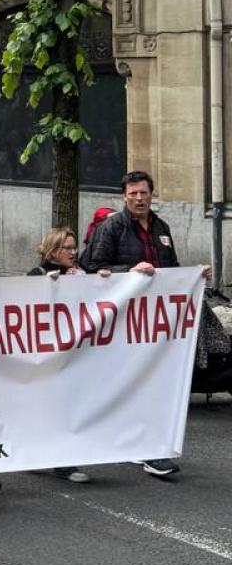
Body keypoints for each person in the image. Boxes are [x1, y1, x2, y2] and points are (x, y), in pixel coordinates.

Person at [81, 170, 211, 481]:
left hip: (156, 323)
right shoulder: (111, 227)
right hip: (125, 320)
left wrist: (195, 277)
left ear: (151, 195)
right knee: (132, 381)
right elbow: (93, 268)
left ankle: (146, 442)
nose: (139, 198)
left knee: (154, 382)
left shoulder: (161, 227)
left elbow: (172, 270)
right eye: (133, 194)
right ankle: (142, 445)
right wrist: (130, 270)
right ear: (123, 197)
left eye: (144, 193)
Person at [27, 226, 113, 485]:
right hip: (47, 356)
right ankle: (60, 462)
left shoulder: (80, 275)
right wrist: (46, 287)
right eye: (67, 248)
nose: (74, 252)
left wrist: (105, 280)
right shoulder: (37, 274)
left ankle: (53, 456)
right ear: (53, 251)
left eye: (75, 247)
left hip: (74, 355)